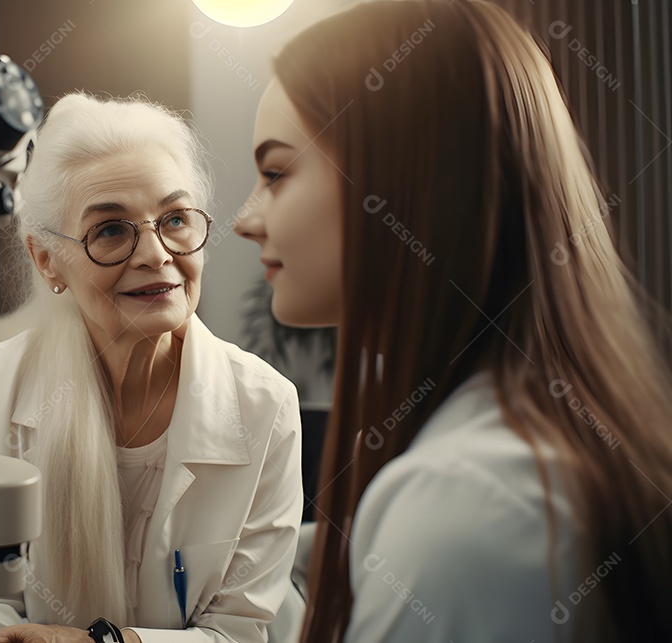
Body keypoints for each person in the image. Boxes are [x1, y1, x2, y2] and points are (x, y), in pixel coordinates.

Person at [234, 1, 672, 641]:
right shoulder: (513, 463)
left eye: (276, 173)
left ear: (406, 178)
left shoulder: (464, 505)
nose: (246, 220)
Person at [0, 93, 304, 643]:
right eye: (111, 230)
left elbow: (239, 631)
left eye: (174, 218)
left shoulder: (264, 406)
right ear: (45, 259)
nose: (156, 254)